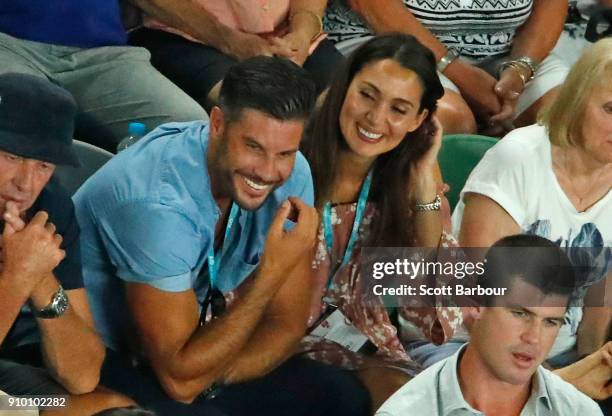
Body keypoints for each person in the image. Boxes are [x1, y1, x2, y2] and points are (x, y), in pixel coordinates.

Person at [74, 57, 370, 415]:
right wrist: (273, 273)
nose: (268, 171)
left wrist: (213, 375)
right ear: (217, 124)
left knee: (343, 396)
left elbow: (286, 325)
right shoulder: (156, 206)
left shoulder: (293, 176)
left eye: (285, 153)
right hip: (94, 355)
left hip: (193, 352)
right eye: (254, 147)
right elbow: (178, 380)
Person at [298, 34, 464, 412]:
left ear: (419, 120)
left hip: (360, 343)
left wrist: (423, 180)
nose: (375, 118)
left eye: (399, 109)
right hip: (275, 341)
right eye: (367, 95)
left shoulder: (403, 178)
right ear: (344, 88)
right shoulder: (292, 157)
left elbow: (432, 300)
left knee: (424, 400)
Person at [453, 38, 612, 367]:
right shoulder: (519, 158)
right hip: (464, 347)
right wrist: (566, 386)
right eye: (610, 109)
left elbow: (596, 321)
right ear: (577, 100)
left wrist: (593, 371)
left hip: (558, 359)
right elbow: (486, 312)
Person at [0, 74, 144, 415]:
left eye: (43, 165)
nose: (25, 183)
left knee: (115, 411)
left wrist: (42, 279)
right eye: (11, 157)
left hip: (10, 382)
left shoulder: (49, 208)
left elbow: (81, 376)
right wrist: (19, 274)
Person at [376, 234, 604, 416]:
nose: (534, 338)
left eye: (551, 322)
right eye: (519, 313)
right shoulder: (406, 412)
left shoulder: (581, 411)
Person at [323, 0, 570, 135]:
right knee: (446, 118)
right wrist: (465, 78)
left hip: (504, 50)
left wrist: (520, 68)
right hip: (389, 40)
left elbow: (550, 6)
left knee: (570, 110)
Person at [0, 1, 206, 151]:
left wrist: (230, 41)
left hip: (104, 54)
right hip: (10, 43)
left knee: (187, 129)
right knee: (21, 113)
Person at [128, 0, 343, 108]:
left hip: (286, 34)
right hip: (190, 37)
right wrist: (228, 40)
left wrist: (303, 31)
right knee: (264, 109)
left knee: (348, 101)